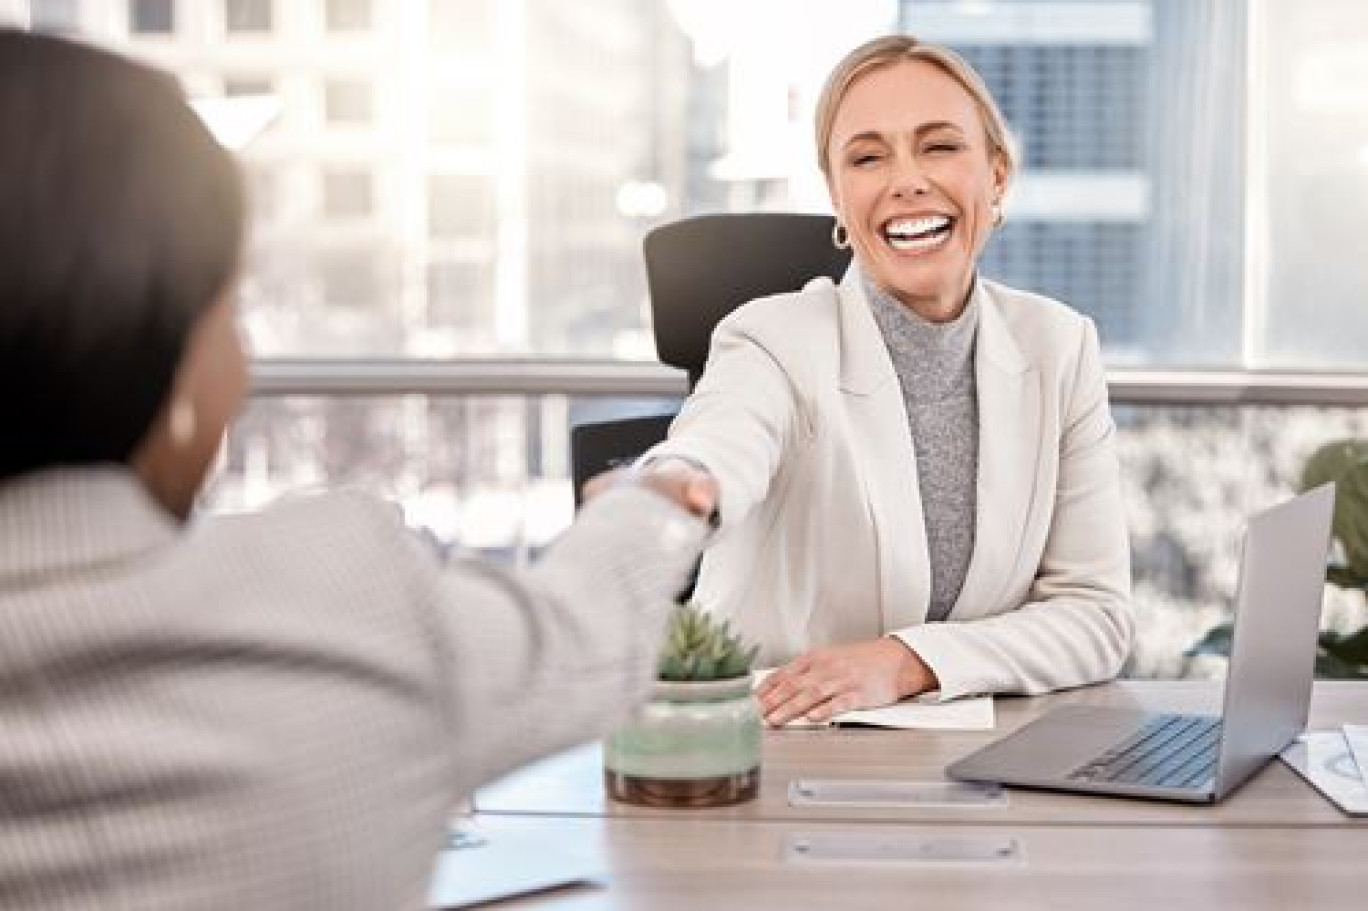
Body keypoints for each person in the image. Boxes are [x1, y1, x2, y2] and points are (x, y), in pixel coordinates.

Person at [0, 30, 715, 911]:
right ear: (167, 354)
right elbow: (579, 634)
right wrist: (645, 507)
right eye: (231, 310)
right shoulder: (334, 600)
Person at [643, 35, 1133, 725]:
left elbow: (1097, 617)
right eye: (868, 157)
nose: (906, 180)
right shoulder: (772, 340)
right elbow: (723, 438)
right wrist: (671, 488)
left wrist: (907, 660)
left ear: (997, 176)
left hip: (977, 771)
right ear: (838, 197)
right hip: (774, 759)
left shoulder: (1059, 346)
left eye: (938, 146)